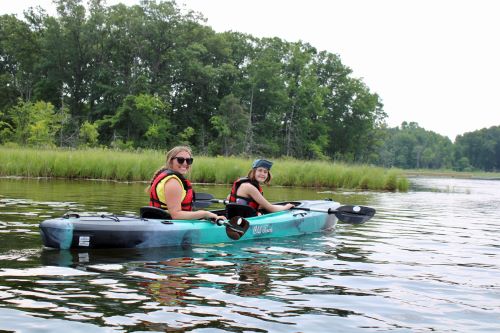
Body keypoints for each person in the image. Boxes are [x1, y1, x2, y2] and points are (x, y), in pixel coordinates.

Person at [147, 146, 225, 221]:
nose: (185, 163)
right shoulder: (173, 182)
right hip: (168, 224)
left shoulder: (169, 178)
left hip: (161, 220)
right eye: (180, 160)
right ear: (171, 161)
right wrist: (204, 214)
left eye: (189, 160)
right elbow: (176, 215)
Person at [228, 159, 294, 213]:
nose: (262, 174)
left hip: (237, 219)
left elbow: (229, 198)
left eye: (265, 172)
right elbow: (271, 208)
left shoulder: (245, 184)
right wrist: (286, 207)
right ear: (254, 172)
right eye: (260, 170)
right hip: (243, 223)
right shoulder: (249, 187)